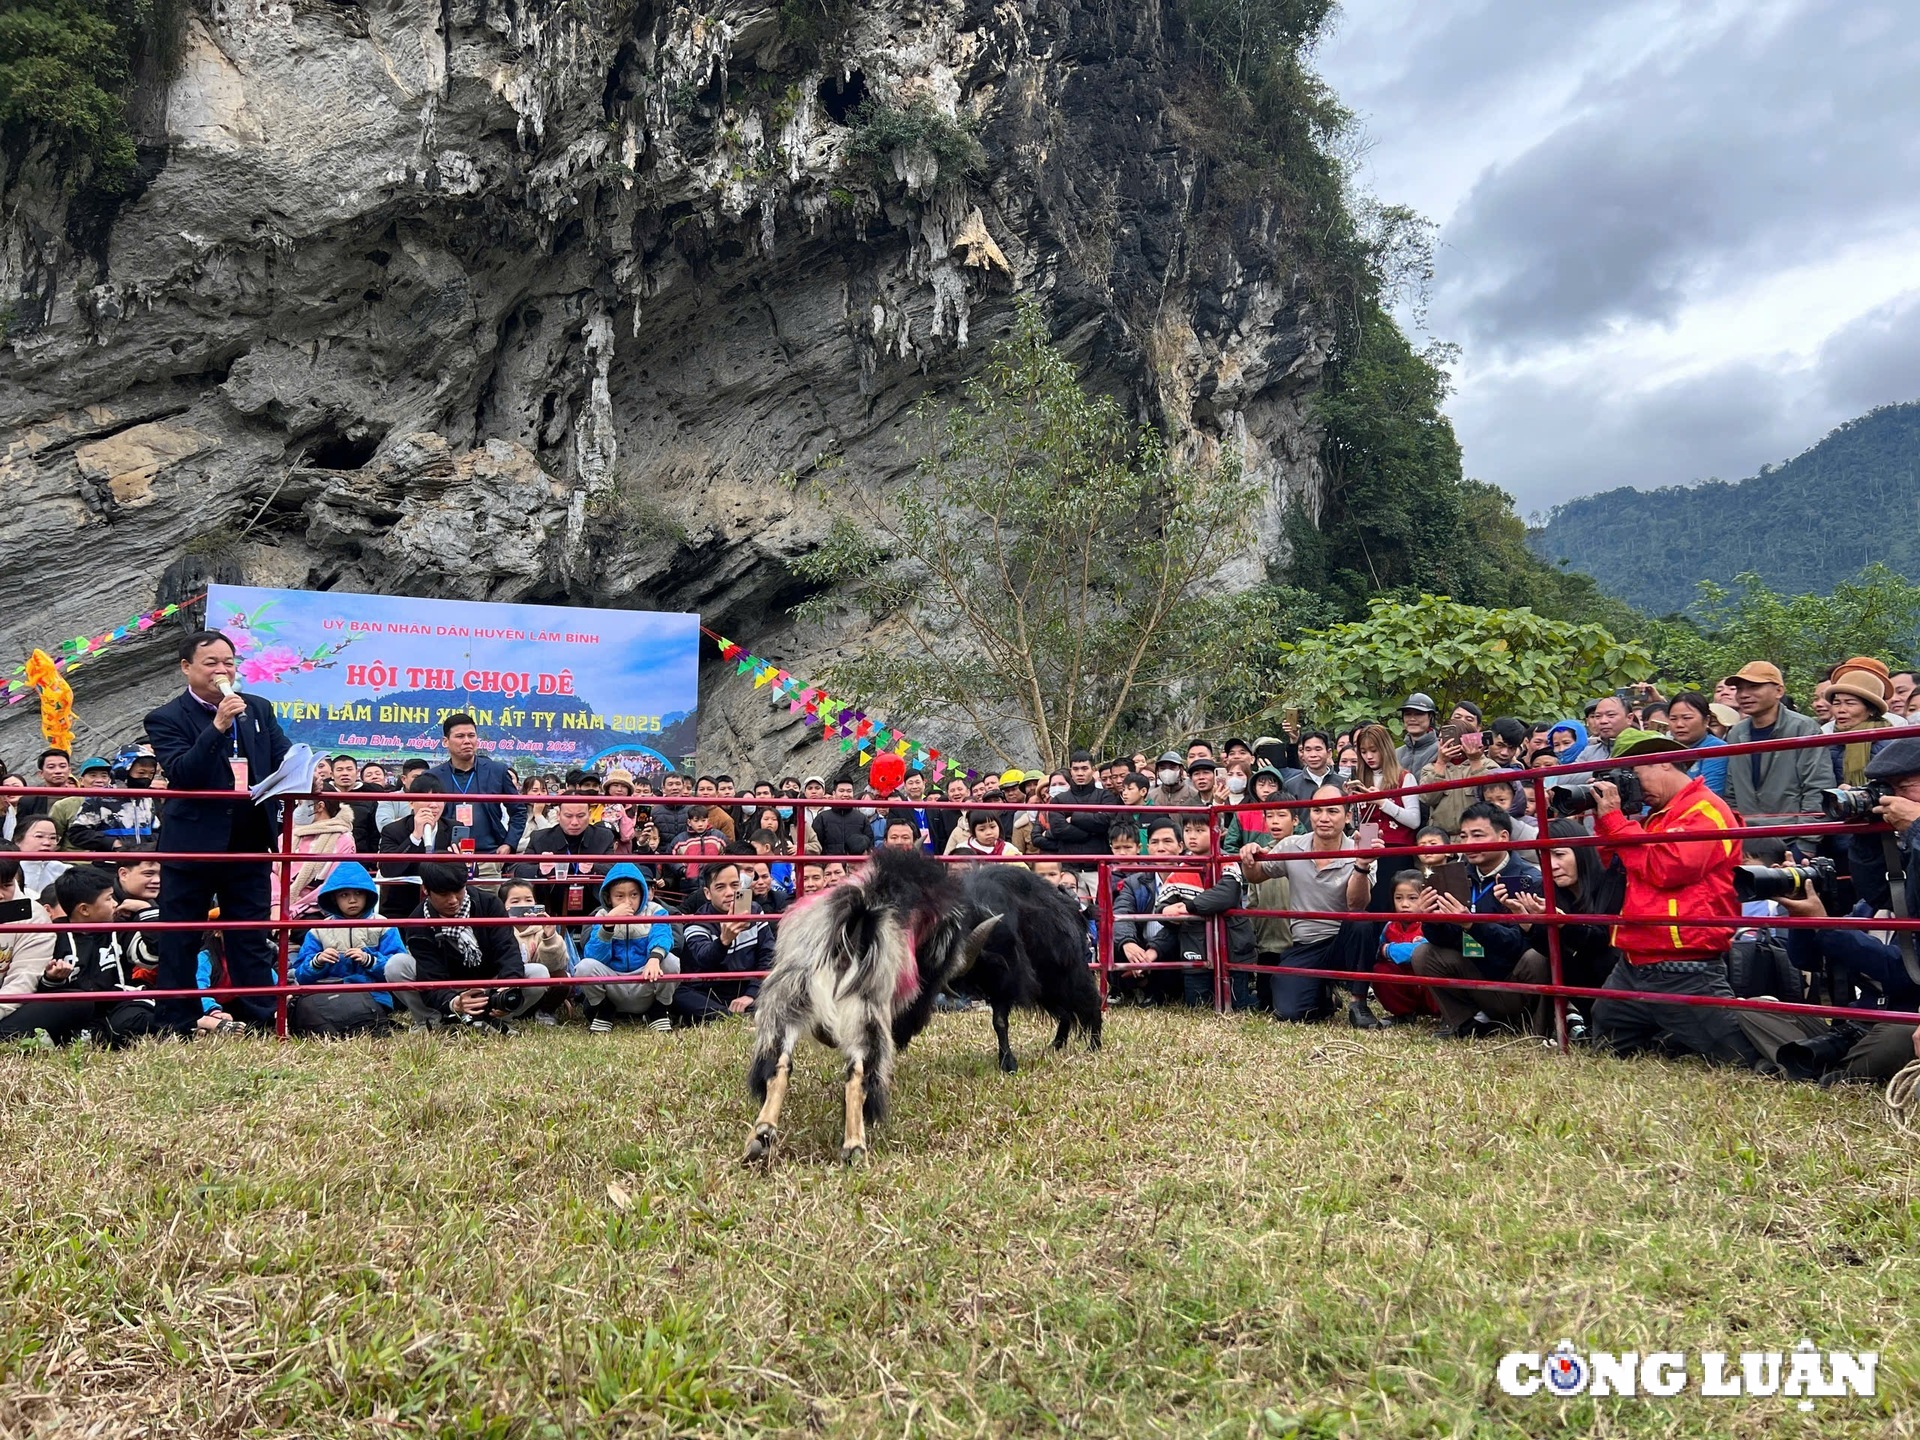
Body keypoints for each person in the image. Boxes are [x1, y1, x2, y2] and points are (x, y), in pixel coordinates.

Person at [144, 629, 294, 1032]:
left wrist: (304, 769)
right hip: (191, 842)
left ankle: (262, 1019)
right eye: (210, 663)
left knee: (249, 933)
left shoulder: (258, 709)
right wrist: (217, 725)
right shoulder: (166, 717)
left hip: (248, 839)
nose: (222, 670)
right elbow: (181, 772)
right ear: (186, 668)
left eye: (228, 662)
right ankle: (177, 1021)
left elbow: (281, 758)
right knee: (182, 935)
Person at [1586, 735, 1759, 1065]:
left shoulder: (1706, 810)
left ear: (1662, 761)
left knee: (1740, 1054)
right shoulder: (1660, 814)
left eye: (1634, 776)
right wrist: (1605, 820)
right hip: (1639, 957)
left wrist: (1615, 821)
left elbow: (1667, 867)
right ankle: (1669, 1038)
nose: (1633, 788)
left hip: (1685, 962)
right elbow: (1618, 867)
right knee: (1607, 1034)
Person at [1239, 783, 1377, 1026]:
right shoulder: (1292, 845)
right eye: (1317, 810)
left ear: (1347, 817)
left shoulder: (1360, 849)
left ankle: (1359, 1003)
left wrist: (1361, 865)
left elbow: (1357, 904)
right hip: (1305, 943)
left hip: (1342, 942)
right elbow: (1257, 875)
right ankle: (1323, 998)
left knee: (1362, 923)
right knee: (1289, 1012)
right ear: (1309, 813)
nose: (1323, 818)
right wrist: (1250, 856)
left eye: (1332, 811)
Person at [1409, 802, 1549, 1037]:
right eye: (1463, 836)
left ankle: (1538, 1029)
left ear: (1503, 837)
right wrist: (1430, 920)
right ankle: (1467, 1023)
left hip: (1513, 978)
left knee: (1537, 957)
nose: (1469, 844)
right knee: (1424, 953)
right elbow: (1444, 940)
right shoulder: (1454, 874)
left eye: (1477, 835)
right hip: (1475, 973)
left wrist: (1472, 924)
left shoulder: (1527, 879)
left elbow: (1518, 944)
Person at [382, 862, 547, 1029]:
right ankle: (432, 1021)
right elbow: (429, 975)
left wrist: (508, 986)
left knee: (539, 973)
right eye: (443, 894)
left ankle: (499, 1017)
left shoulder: (489, 903)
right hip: (445, 985)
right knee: (396, 966)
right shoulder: (417, 923)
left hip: (491, 983)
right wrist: (453, 1002)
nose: (453, 900)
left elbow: (508, 949)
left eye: (458, 890)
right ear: (426, 890)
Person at [1722, 660, 1833, 852]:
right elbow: (1732, 789)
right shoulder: (1736, 733)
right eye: (1739, 689)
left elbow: (1817, 785)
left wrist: (1806, 843)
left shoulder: (1803, 728)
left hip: (1791, 838)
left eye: (1754, 686)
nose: (1744, 695)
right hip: (1748, 839)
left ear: (1779, 691)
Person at [288, 863, 406, 1036]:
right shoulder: (319, 930)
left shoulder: (383, 925)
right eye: (344, 895)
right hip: (328, 997)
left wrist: (370, 960)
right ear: (334, 898)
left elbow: (398, 968)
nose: (352, 900)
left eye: (358, 893)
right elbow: (301, 975)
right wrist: (317, 962)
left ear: (368, 895)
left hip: (373, 996)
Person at [577, 862, 679, 1033]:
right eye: (620, 896)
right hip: (613, 984)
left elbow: (663, 935)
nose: (628, 902)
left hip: (646, 977)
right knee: (584, 967)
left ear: (642, 894)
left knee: (671, 961)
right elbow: (594, 956)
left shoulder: (656, 911)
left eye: (633, 895)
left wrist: (654, 958)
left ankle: (659, 1010)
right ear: (608, 898)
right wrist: (608, 925)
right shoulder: (601, 915)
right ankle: (604, 1010)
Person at [672, 861, 772, 1022]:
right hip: (710, 993)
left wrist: (750, 994)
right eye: (720, 887)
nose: (729, 892)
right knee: (679, 995)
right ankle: (731, 1016)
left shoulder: (754, 911)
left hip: (747, 987)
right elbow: (704, 959)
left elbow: (767, 955)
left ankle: (735, 1014)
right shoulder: (697, 924)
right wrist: (723, 941)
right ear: (707, 893)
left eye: (734, 885)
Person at [427, 713, 528, 867]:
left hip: (489, 855)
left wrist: (509, 844)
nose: (467, 741)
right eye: (460, 736)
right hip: (446, 857)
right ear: (445, 742)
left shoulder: (497, 771)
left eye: (471, 735)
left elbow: (519, 811)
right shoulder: (433, 776)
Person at [516, 799, 619, 915]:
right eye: (568, 816)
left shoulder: (604, 837)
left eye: (580, 816)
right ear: (559, 815)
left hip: (595, 909)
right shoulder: (540, 838)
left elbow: (615, 868)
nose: (574, 822)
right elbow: (519, 870)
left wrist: (594, 868)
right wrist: (540, 869)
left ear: (589, 814)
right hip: (550, 909)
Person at [377, 774, 460, 912]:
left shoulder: (454, 828)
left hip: (445, 901)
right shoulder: (393, 830)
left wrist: (463, 862)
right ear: (411, 802)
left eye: (439, 799)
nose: (433, 805)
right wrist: (415, 837)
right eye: (427, 799)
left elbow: (472, 872)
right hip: (403, 903)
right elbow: (388, 870)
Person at [0, 852, 59, 1031]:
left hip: (5, 1007)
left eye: (6, 885)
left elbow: (24, 979)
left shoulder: (31, 914)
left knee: (74, 1002)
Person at [1371, 871, 1437, 1021]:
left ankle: (1446, 1015)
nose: (1404, 904)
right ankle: (1404, 1013)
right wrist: (1382, 951)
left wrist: (1388, 950)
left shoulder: (1433, 924)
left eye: (1412, 898)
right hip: (1406, 983)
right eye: (1398, 898)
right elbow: (1376, 951)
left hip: (1428, 984)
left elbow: (1422, 951)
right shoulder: (1390, 926)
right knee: (1380, 970)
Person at [1033, 749, 1113, 858]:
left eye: (1085, 768)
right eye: (1076, 769)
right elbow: (1058, 829)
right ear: (1071, 771)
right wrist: (1091, 832)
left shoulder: (1105, 796)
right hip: (1068, 866)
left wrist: (1073, 818)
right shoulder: (1058, 800)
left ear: (1093, 770)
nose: (1080, 773)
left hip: (1098, 864)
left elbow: (1106, 821)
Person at [1666, 691, 1728, 799]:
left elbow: (1710, 793)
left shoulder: (1716, 749)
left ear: (1706, 720)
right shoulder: (1665, 749)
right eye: (1673, 719)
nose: (1679, 725)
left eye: (1687, 718)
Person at [812, 780, 873, 858]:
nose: (845, 794)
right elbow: (816, 845)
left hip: (854, 864)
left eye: (849, 791)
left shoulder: (862, 818)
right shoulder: (822, 817)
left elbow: (869, 844)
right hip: (829, 865)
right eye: (841, 791)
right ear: (834, 794)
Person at [1395, 694, 1440, 775]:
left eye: (1418, 714)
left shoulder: (1441, 750)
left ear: (1430, 717)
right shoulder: (1396, 754)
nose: (1412, 719)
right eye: (1407, 714)